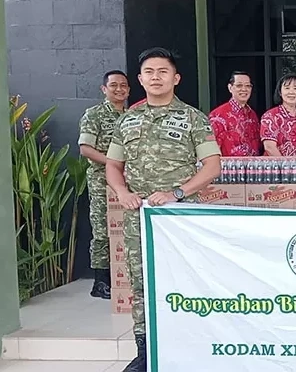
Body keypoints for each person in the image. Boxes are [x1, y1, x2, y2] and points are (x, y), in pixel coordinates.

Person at [106, 47, 222, 372]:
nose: (156, 77)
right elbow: (113, 165)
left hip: (179, 218)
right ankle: (145, 352)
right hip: (138, 218)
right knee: (141, 282)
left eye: (163, 71)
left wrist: (178, 193)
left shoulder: (193, 118)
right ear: (140, 79)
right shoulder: (127, 120)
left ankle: (189, 349)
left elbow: (212, 166)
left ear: (176, 78)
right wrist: (122, 192)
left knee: (185, 279)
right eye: (149, 72)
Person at [78, 70, 130, 300]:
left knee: (125, 228)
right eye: (114, 85)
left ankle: (123, 278)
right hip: (102, 180)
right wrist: (113, 164)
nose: (119, 89)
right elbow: (85, 149)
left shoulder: (131, 116)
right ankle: (100, 281)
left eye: (123, 85)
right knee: (102, 229)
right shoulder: (94, 115)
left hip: (128, 180)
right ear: (104, 89)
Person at [209, 71, 260, 156]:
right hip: (228, 164)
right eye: (239, 85)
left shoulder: (252, 114)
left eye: (248, 86)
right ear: (230, 88)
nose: (244, 89)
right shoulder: (218, 115)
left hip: (253, 163)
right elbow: (211, 149)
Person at [260, 73, 296, 156]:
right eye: (287, 88)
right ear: (280, 92)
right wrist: (284, 163)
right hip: (276, 163)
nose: (291, 92)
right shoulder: (270, 116)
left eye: (295, 88)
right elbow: (269, 147)